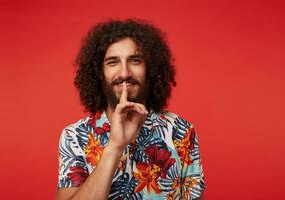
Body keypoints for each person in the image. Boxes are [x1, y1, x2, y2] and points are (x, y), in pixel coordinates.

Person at [56, 18, 205, 200]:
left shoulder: (181, 132)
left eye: (135, 60)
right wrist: (114, 147)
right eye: (112, 62)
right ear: (99, 73)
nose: (125, 73)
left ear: (150, 69)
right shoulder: (74, 136)